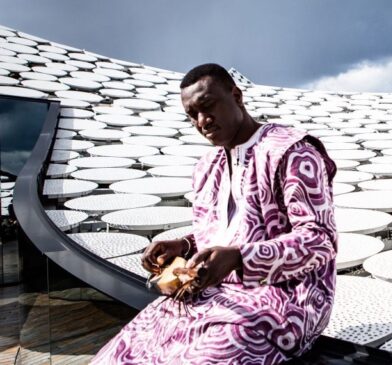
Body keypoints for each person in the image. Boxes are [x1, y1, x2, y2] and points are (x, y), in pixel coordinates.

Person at [93, 63, 338, 364]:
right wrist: (184, 246)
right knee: (121, 354)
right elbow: (230, 231)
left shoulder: (292, 152)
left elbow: (319, 241)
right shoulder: (207, 167)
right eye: (191, 116)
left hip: (285, 301)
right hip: (207, 295)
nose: (201, 121)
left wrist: (240, 258)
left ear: (237, 96)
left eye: (207, 107)